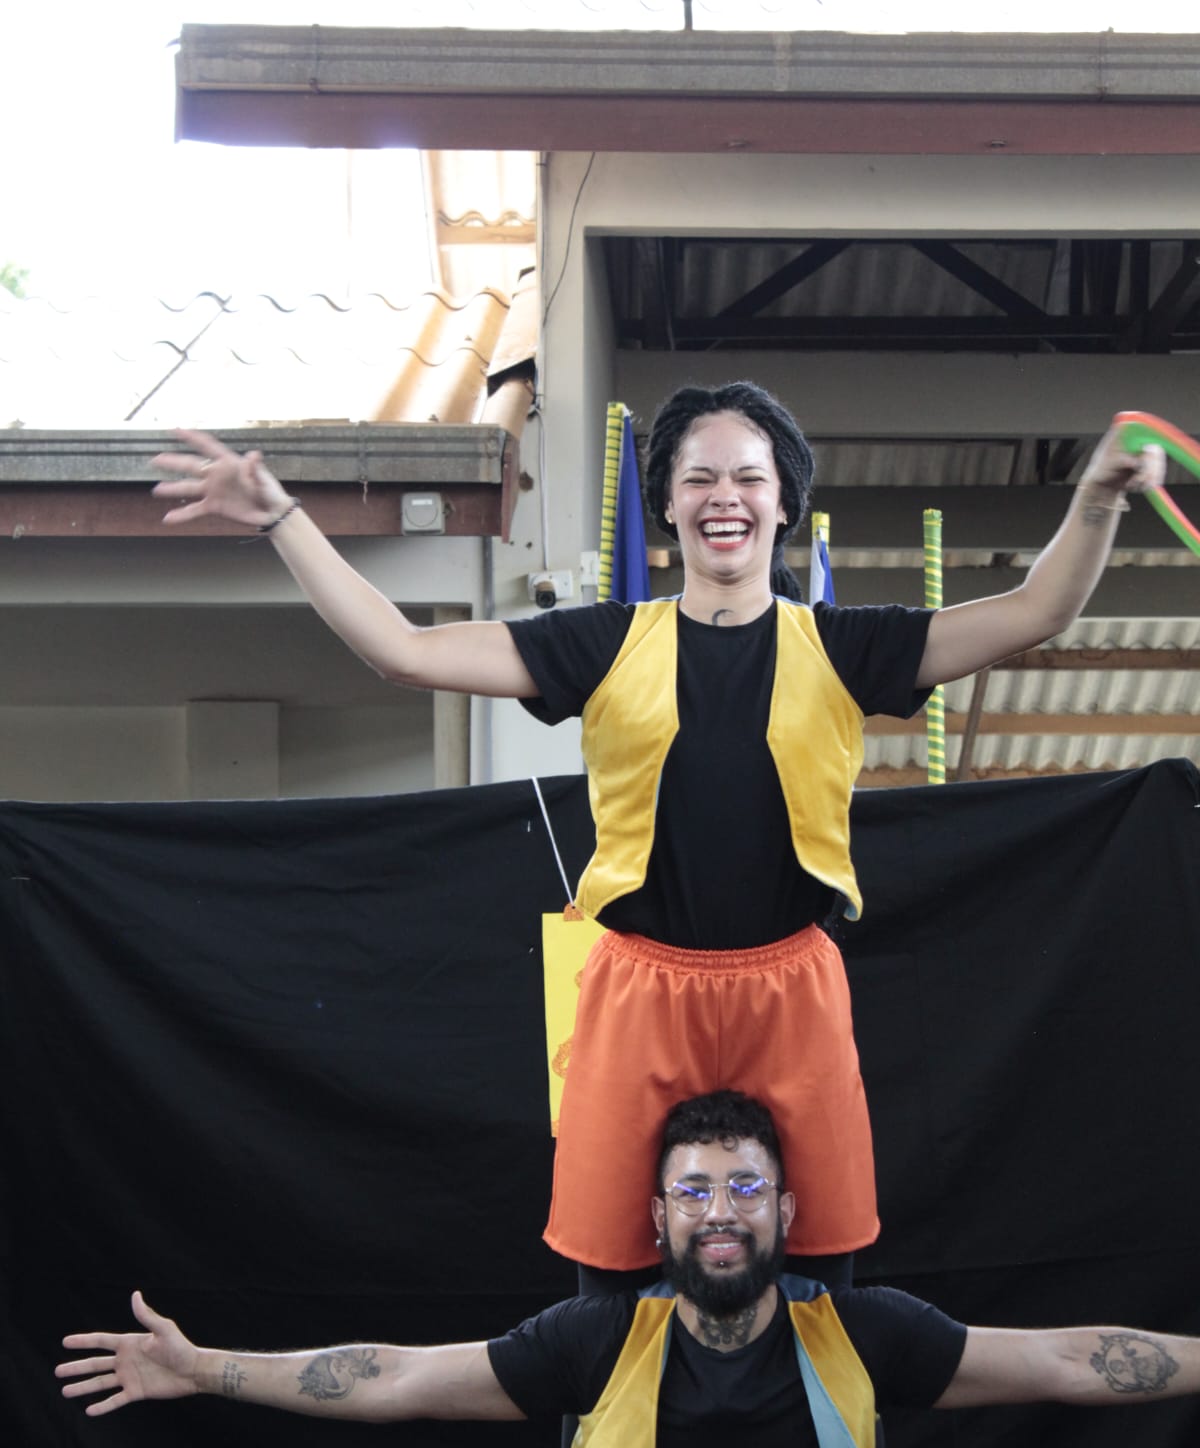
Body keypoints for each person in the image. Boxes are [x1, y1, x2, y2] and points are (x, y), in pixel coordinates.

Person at [150, 388, 1164, 1289]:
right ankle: (609, 1439)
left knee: (824, 1266)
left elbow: (1037, 610)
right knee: (607, 1270)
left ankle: (816, 1439)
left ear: (783, 502)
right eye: (700, 478)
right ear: (669, 504)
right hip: (638, 986)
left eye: (750, 477)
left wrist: (1099, 497)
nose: (726, 496)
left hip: (792, 987)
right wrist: (283, 518)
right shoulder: (601, 641)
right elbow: (403, 651)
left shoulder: (847, 647)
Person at [58, 1089, 1200, 1448]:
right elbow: (397, 1379)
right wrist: (204, 1369)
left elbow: (1064, 1359)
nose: (720, 1211)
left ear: (786, 1213)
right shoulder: (597, 1340)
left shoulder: (861, 1332)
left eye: (744, 1187)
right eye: (694, 1190)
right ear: (657, 1219)